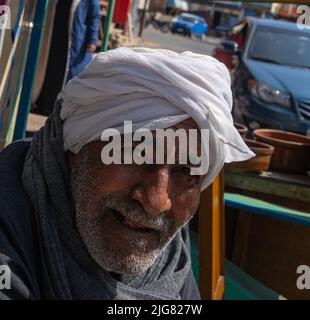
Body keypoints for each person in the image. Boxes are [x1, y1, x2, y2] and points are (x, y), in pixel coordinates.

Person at [0, 47, 254, 300]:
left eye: (185, 170)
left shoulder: (165, 250)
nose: (157, 202)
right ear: (74, 147)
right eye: (137, 153)